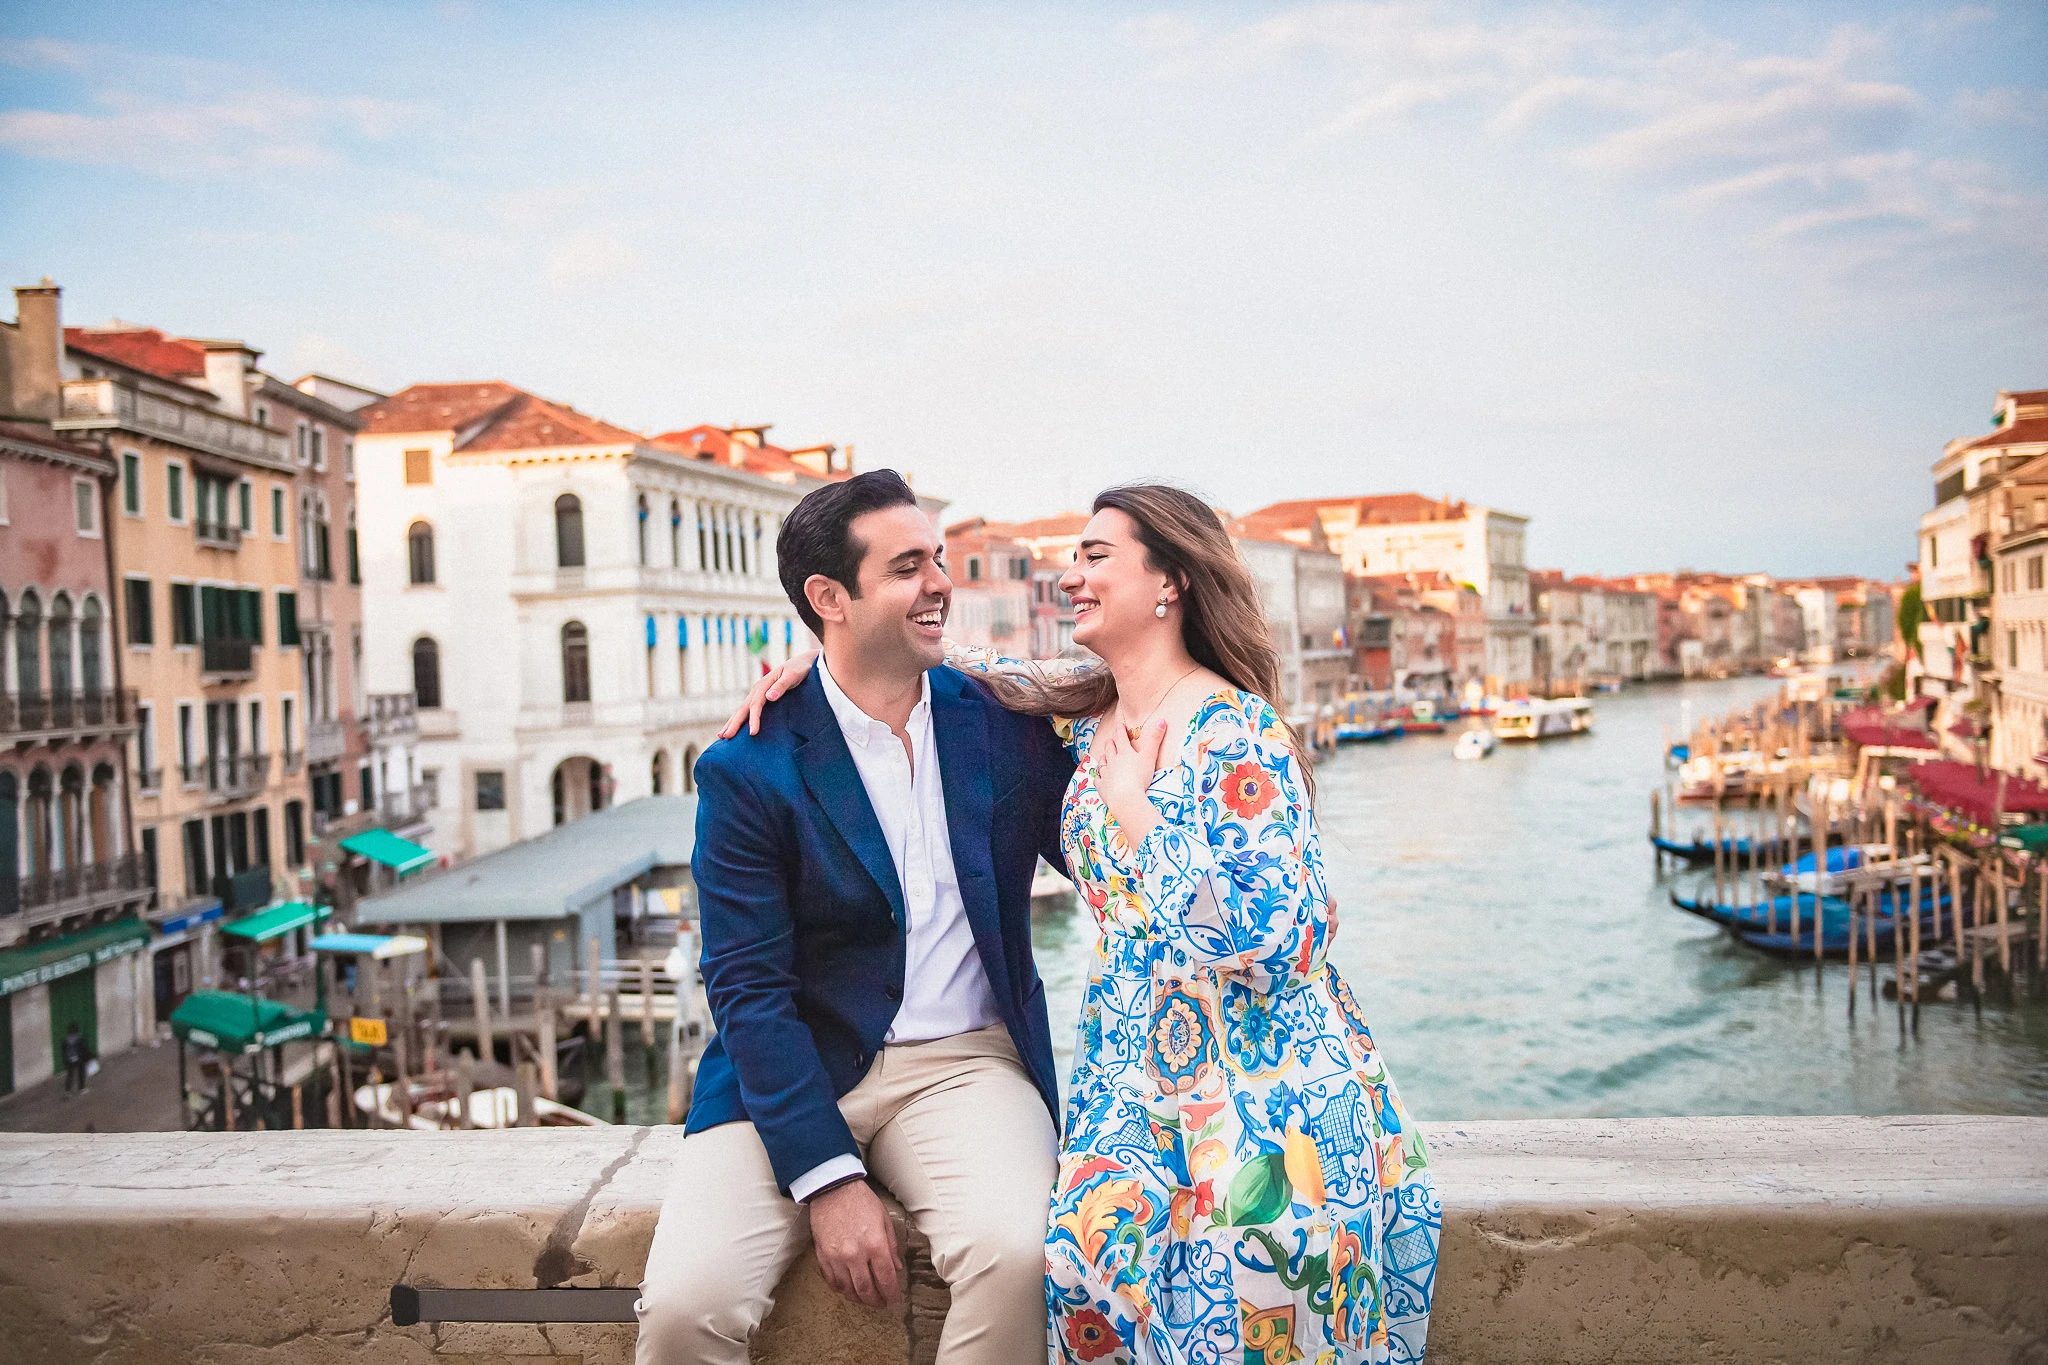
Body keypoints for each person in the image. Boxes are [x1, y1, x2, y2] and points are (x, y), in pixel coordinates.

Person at [735, 483, 1439, 1363]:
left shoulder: (1236, 732)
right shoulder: (1085, 715)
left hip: (1258, 1095)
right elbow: (952, 664)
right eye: (1074, 557)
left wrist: (1137, 811)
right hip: (1133, 1089)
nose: (1073, 576)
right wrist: (819, 668)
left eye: (1096, 557)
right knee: (1089, 1298)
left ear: (1170, 582)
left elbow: (1282, 936)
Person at [635, 470, 1078, 1365]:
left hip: (966, 1066)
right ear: (828, 598)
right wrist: (828, 1176)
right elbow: (747, 989)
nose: (939, 583)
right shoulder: (749, 765)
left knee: (1022, 1254)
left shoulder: (1004, 723)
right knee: (686, 1306)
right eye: (908, 566)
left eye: (939, 559)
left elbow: (1111, 838)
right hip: (790, 1069)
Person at [61, 1022, 91, 1096]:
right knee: (81, 1073)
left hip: (69, 1060)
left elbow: (64, 1051)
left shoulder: (65, 1040)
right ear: (77, 1030)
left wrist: (65, 1060)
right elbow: (84, 1049)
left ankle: (67, 1091)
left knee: (70, 1075)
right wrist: (88, 1057)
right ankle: (81, 1088)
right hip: (79, 1059)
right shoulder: (79, 1039)